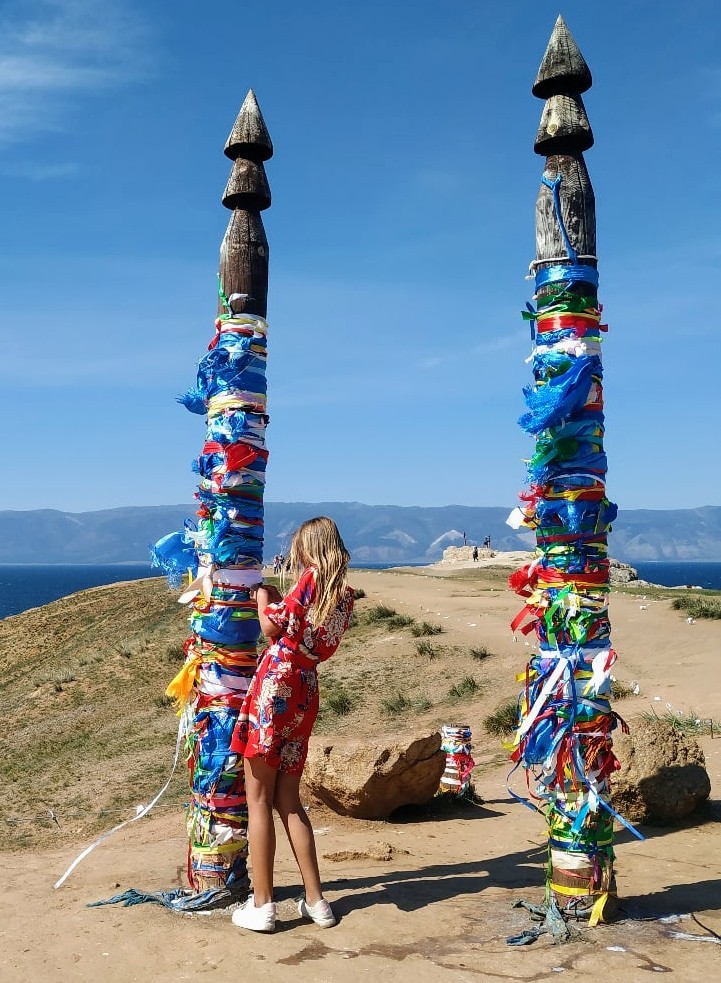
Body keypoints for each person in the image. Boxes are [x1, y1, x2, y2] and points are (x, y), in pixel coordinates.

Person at [230, 517, 355, 933]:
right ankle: (317, 902)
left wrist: (263, 598)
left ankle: (263, 905)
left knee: (259, 800)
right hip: (306, 690)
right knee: (290, 801)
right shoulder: (343, 595)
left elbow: (271, 625)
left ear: (311, 547)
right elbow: (304, 631)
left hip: (276, 689)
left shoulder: (310, 579)